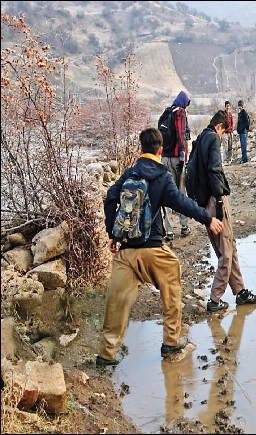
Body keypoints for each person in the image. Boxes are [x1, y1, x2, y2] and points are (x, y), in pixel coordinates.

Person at [97, 128, 223, 366]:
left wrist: (112, 233)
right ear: (160, 149)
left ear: (141, 148)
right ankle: (171, 341)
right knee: (172, 284)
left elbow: (110, 198)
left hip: (125, 252)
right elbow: (183, 203)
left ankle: (106, 354)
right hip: (154, 250)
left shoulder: (129, 174)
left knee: (116, 302)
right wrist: (208, 218)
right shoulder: (162, 177)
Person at [192, 110, 256, 312]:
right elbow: (214, 170)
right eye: (225, 130)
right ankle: (215, 299)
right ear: (221, 126)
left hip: (206, 201)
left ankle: (240, 291)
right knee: (226, 251)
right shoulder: (213, 138)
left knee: (228, 245)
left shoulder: (201, 137)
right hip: (216, 201)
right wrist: (221, 200)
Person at [162, 90, 192, 240]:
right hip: (176, 159)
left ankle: (169, 230)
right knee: (181, 192)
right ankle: (184, 226)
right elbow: (181, 136)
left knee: (167, 192)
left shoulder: (168, 112)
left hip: (164, 158)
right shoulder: (180, 113)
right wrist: (182, 156)